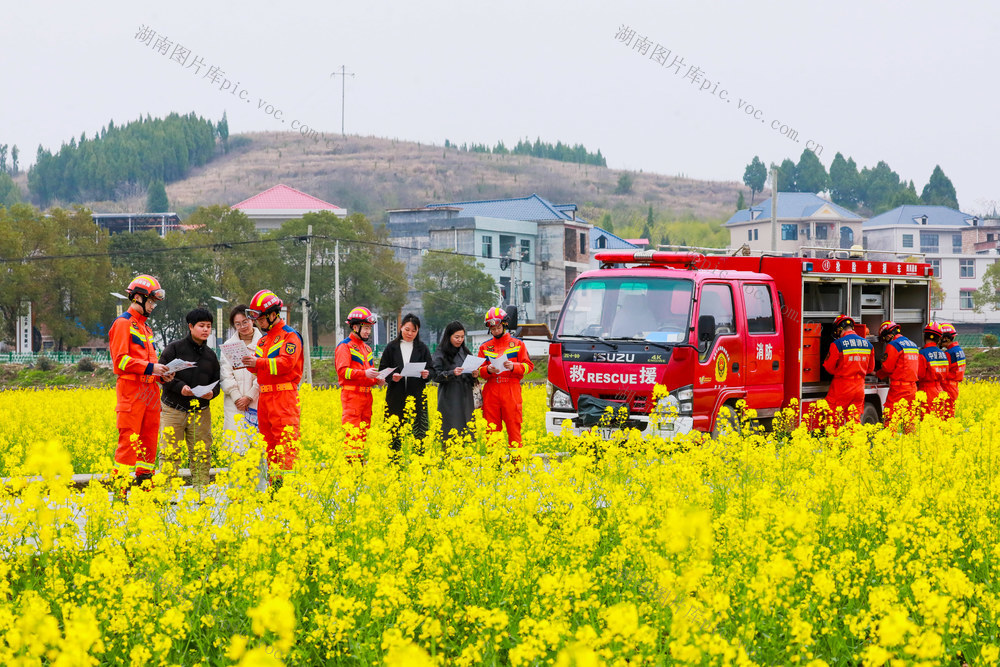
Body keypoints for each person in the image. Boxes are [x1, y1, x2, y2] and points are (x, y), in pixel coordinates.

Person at [108, 274, 175, 494]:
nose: (153, 306)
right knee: (129, 442)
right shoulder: (123, 324)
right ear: (138, 297)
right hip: (131, 391)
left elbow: (150, 363)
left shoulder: (146, 328)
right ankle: (120, 494)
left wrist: (162, 374)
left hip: (150, 391)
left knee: (149, 442)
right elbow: (120, 361)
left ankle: (145, 491)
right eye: (151, 301)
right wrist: (151, 368)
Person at [240, 290, 303, 487]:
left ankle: (288, 490)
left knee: (285, 444)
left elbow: (286, 364)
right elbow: (257, 369)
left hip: (284, 396)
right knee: (270, 446)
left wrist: (258, 362)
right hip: (265, 397)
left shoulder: (290, 336)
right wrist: (245, 361)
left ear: (273, 314)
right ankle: (275, 488)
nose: (258, 322)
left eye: (260, 318)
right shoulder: (263, 340)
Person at [158, 308, 221, 492]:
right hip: (173, 409)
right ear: (191, 327)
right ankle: (167, 493)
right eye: (201, 326)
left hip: (200, 411)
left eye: (208, 326)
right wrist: (181, 388)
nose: (206, 330)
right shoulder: (174, 348)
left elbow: (217, 382)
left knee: (201, 452)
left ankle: (201, 491)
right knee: (170, 453)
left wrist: (212, 393)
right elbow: (162, 375)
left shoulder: (210, 355)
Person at [220, 304, 266, 490]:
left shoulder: (264, 343)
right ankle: (236, 494)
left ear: (252, 320)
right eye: (237, 324)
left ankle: (259, 492)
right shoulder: (229, 346)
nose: (242, 327)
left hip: (256, 402)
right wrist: (237, 396)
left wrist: (250, 396)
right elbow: (225, 374)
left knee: (258, 450)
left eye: (245, 322)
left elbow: (264, 373)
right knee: (236, 449)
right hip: (235, 405)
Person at [478, 307, 533, 450]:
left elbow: (528, 366)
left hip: (511, 389)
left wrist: (514, 366)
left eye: (498, 327)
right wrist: (487, 369)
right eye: (493, 329)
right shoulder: (485, 347)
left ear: (505, 325)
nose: (496, 331)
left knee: (514, 428)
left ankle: (516, 462)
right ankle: (494, 461)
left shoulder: (518, 344)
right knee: (491, 430)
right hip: (491, 390)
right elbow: (479, 371)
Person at [335, 306, 386, 461]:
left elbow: (369, 373)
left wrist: (377, 380)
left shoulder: (367, 349)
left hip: (366, 396)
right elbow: (342, 371)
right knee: (353, 432)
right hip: (352, 396)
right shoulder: (344, 346)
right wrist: (364, 373)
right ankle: (352, 466)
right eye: (366, 328)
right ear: (355, 327)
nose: (368, 332)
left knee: (363, 432)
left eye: (370, 328)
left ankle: (360, 464)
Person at [378, 313, 432, 457]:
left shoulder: (422, 348)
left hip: (417, 396)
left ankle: (419, 461)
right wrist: (392, 377)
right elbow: (382, 369)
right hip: (396, 395)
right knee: (394, 431)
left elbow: (431, 369)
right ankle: (394, 461)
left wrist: (427, 374)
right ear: (401, 327)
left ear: (418, 331)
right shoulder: (391, 347)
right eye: (407, 329)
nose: (410, 333)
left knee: (419, 431)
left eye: (414, 331)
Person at [431, 321, 479, 446]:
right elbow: (435, 375)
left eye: (462, 337)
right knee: (450, 430)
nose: (460, 340)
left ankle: (465, 455)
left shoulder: (465, 351)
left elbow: (470, 372)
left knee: (466, 429)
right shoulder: (441, 353)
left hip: (465, 396)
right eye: (456, 337)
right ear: (449, 336)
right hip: (450, 397)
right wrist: (452, 373)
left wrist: (474, 375)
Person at [821, 315, 874, 426]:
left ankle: (835, 438)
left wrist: (840, 373)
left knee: (833, 419)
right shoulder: (868, 345)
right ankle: (854, 438)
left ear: (839, 329)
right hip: (859, 387)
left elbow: (829, 367)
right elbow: (870, 368)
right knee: (854, 421)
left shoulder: (838, 344)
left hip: (842, 386)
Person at [875, 320, 920, 426]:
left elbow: (887, 368)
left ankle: (890, 437)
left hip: (899, 389)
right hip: (912, 388)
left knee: (890, 419)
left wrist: (877, 374)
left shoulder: (893, 345)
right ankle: (910, 437)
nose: (886, 342)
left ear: (889, 335)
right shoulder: (913, 345)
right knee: (909, 421)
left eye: (885, 339)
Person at [917, 322, 950, 417]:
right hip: (940, 390)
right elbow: (946, 373)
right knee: (938, 418)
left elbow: (920, 375)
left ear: (924, 336)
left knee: (926, 419)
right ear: (939, 339)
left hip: (926, 391)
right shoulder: (943, 354)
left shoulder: (922, 353)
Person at [938, 322, 965, 419]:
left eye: (940, 338)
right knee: (949, 414)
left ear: (946, 338)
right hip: (954, 387)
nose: (938, 341)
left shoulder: (949, 353)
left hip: (947, 387)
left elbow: (942, 372)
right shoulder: (959, 350)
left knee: (945, 415)